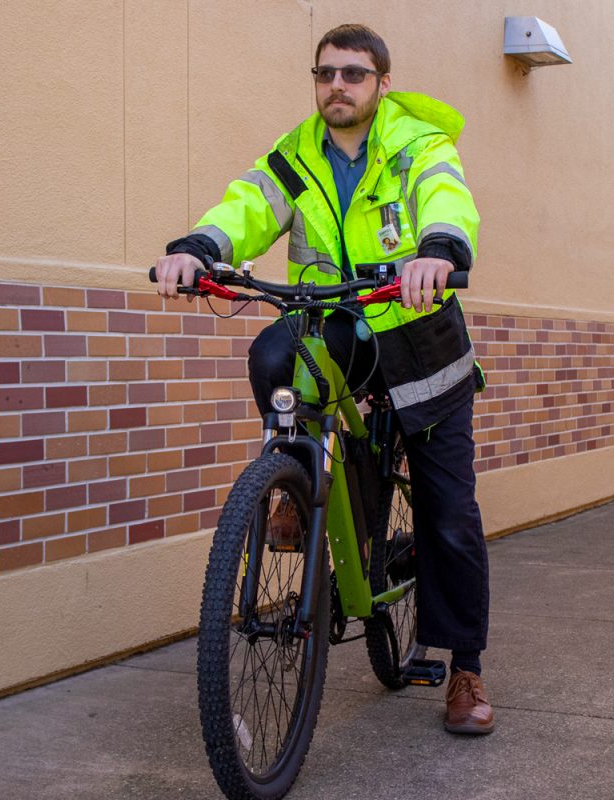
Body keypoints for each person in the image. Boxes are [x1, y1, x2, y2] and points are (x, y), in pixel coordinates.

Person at [153, 23, 493, 735]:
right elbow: (247, 207)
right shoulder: (296, 153)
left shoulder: (417, 146)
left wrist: (439, 250)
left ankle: (465, 668)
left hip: (419, 338)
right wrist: (196, 250)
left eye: (354, 74)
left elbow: (446, 197)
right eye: (325, 73)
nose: (337, 86)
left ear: (381, 84)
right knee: (274, 353)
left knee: (450, 517)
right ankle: (293, 479)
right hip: (338, 326)